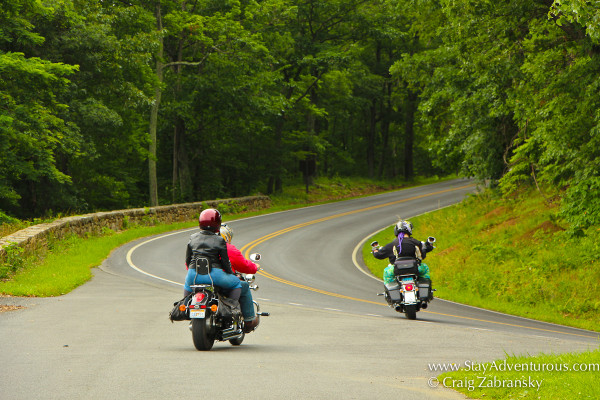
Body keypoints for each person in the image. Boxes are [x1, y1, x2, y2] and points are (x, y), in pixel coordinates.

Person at [183, 208, 242, 304]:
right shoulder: (219, 240)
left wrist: (192, 270)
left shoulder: (192, 238)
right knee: (237, 283)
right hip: (215, 275)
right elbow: (225, 261)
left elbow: (188, 259)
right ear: (218, 223)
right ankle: (232, 307)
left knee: (187, 285)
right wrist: (230, 273)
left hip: (193, 274)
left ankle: (184, 306)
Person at [371, 219, 434, 306]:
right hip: (415, 268)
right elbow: (424, 250)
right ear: (409, 230)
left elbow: (379, 255)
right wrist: (429, 245)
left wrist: (375, 251)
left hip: (396, 270)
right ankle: (425, 296)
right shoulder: (415, 242)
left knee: (387, 273)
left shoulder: (392, 244)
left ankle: (392, 297)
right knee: (425, 269)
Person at [219, 224, 260, 333]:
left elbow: (188, 264)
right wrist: (254, 267)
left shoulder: (201, 247)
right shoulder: (228, 249)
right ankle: (249, 320)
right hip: (223, 282)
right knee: (245, 286)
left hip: (201, 281)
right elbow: (243, 265)